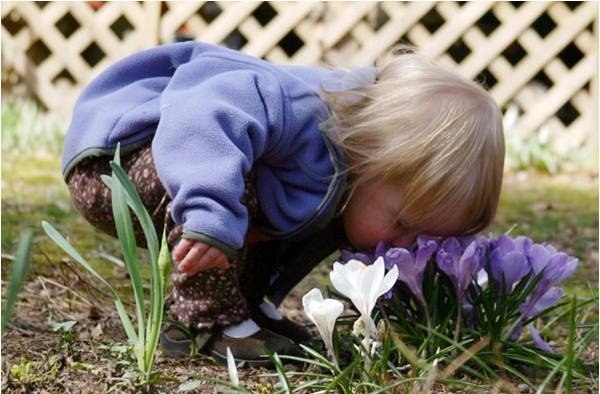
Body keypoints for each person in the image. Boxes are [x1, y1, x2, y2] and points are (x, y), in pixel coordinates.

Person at [62, 41, 505, 366]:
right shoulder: (297, 109)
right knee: (233, 179)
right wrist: (210, 213)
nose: (402, 244)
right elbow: (203, 115)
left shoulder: (353, 178)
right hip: (119, 160)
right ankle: (203, 321)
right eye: (404, 223)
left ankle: (244, 306)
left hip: (175, 162)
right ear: (373, 153)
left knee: (307, 210)